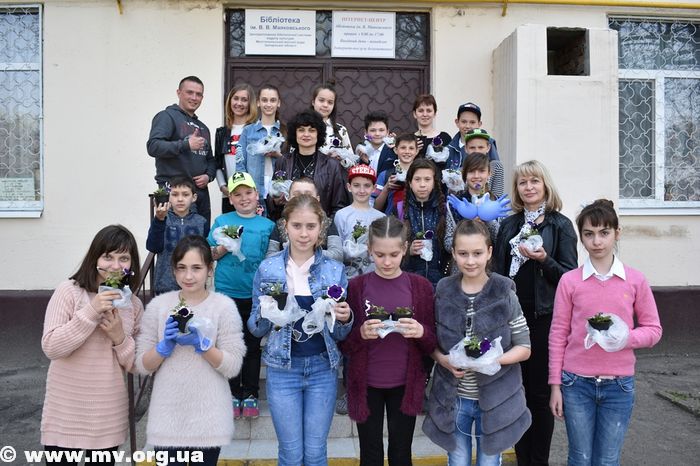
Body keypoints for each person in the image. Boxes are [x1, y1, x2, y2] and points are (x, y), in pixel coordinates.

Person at [549, 199, 662, 466]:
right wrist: (555, 386)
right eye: (589, 234)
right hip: (576, 384)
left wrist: (626, 338)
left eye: (604, 233)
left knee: (608, 459)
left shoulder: (635, 280)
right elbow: (558, 333)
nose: (597, 241)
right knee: (580, 458)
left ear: (617, 233)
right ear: (581, 237)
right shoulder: (570, 281)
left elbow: (654, 329)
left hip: (619, 386)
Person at [248, 194, 353, 466]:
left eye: (310, 226)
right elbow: (256, 329)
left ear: (321, 228)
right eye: (297, 226)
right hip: (282, 371)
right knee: (291, 453)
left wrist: (345, 318)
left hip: (322, 369)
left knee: (316, 452)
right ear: (285, 226)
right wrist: (266, 312)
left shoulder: (335, 270)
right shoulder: (269, 268)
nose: (304, 234)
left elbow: (340, 334)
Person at [492, 160, 578, 466]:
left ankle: (537, 461)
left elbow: (569, 277)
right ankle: (522, 458)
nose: (528, 187)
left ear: (545, 185)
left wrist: (544, 260)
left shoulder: (560, 225)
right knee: (517, 393)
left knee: (540, 396)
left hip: (544, 320)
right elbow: (498, 273)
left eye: (534, 181)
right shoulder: (509, 225)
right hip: (512, 319)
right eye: (522, 182)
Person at [135, 235, 246, 466]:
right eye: (181, 268)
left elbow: (233, 366)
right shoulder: (158, 306)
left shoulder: (224, 306)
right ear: (173, 270)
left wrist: (204, 347)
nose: (188, 276)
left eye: (196, 268)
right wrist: (163, 348)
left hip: (209, 417)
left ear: (210, 269)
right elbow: (143, 366)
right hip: (168, 416)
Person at [41, 225, 143, 465]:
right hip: (65, 413)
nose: (115, 266)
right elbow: (52, 347)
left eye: (123, 258)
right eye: (107, 257)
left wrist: (119, 338)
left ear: (131, 265)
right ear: (95, 258)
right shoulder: (69, 292)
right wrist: (91, 311)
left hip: (108, 415)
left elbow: (137, 365)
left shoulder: (133, 305)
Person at [341, 215, 437, 465]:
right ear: (369, 249)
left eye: (394, 255)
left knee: (401, 453)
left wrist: (421, 331)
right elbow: (344, 344)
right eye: (379, 255)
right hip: (366, 384)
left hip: (405, 384)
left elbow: (431, 343)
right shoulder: (356, 287)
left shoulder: (421, 286)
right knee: (370, 454)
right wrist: (360, 333)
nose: (386, 262)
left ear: (405, 249)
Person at [208, 171, 275, 418]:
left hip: (255, 295)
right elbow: (210, 254)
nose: (244, 198)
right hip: (227, 293)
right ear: (231, 198)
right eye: (238, 194)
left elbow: (272, 259)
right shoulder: (222, 220)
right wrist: (224, 246)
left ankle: (251, 394)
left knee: (253, 345)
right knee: (230, 345)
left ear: (257, 195)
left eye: (248, 192)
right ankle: (233, 393)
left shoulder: (267, 225)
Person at [147, 76, 215, 225]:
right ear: (179, 93)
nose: (194, 97)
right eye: (189, 92)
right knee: (177, 238)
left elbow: (210, 159)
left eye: (198, 94)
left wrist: (208, 176)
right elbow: (153, 146)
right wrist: (186, 145)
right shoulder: (166, 116)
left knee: (202, 237)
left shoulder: (203, 127)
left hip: (200, 194)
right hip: (176, 193)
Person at [270, 109, 350, 219]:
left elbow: (339, 205)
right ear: (295, 133)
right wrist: (276, 201)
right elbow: (273, 197)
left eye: (312, 130)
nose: (306, 134)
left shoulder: (332, 165)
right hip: (289, 224)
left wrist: (325, 226)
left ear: (318, 134)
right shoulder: (282, 161)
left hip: (320, 225)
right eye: (301, 130)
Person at [147, 177, 209, 295]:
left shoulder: (201, 222)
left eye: (185, 195)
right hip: (165, 285)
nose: (180, 199)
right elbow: (153, 247)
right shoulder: (162, 219)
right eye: (175, 194)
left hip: (194, 284)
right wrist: (159, 220)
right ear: (169, 197)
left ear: (194, 197)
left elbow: (206, 252)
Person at [267, 177, 343, 262]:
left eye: (308, 195)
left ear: (317, 199)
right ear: (288, 198)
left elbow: (338, 255)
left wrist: (307, 252)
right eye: (296, 195)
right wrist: (288, 252)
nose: (302, 199)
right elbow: (270, 257)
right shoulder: (281, 223)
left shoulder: (327, 223)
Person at [236, 84, 286, 212]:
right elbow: (240, 162)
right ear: (258, 103)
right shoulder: (248, 131)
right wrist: (245, 190)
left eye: (273, 100)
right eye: (264, 100)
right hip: (254, 191)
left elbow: (291, 162)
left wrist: (278, 155)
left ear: (279, 103)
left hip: (278, 193)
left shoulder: (285, 131)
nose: (268, 104)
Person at [401, 158, 449, 287]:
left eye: (427, 179)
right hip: (408, 281)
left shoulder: (444, 209)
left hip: (440, 281)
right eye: (417, 179)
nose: (422, 185)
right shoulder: (400, 209)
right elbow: (390, 245)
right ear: (410, 183)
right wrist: (407, 250)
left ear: (434, 182)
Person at [334, 164, 386, 279]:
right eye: (356, 185)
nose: (362, 190)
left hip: (375, 276)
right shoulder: (341, 215)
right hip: (348, 277)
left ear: (374, 188)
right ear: (349, 187)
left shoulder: (381, 217)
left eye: (367, 186)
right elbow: (338, 249)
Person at [445, 152, 501, 253]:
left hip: (490, 261)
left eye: (481, 171)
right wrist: (467, 226)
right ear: (465, 174)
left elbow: (502, 241)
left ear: (489, 173)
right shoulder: (455, 203)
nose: (476, 176)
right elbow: (448, 244)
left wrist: (488, 221)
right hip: (463, 261)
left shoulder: (497, 202)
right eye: (471, 171)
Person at [215, 84, 257, 213]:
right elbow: (217, 164)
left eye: (244, 100)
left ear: (250, 104)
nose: (239, 103)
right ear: (230, 101)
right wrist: (223, 187)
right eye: (236, 98)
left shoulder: (256, 130)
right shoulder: (222, 133)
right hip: (230, 195)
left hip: (252, 195)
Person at [445, 102, 500, 172]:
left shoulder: (488, 143)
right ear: (457, 122)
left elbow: (496, 172)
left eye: (472, 122)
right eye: (464, 122)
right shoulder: (449, 148)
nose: (467, 126)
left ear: (479, 124)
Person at [373, 133, 418, 214]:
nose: (407, 152)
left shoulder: (422, 175)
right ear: (395, 150)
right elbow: (375, 208)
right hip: (392, 220)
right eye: (403, 148)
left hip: (416, 220)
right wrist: (386, 188)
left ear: (416, 151)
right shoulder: (385, 175)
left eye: (411, 148)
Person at [310, 81, 352, 156]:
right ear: (313, 102)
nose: (325, 105)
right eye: (321, 100)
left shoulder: (341, 130)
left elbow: (352, 160)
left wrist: (340, 158)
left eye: (330, 102)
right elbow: (293, 157)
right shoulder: (302, 128)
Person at [463, 129, 505, 199]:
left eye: (481, 147)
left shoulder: (496, 166)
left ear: (488, 148)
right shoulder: (461, 168)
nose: (477, 151)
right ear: (466, 148)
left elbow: (498, 197)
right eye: (472, 148)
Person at [411, 94, 452, 158]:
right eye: (421, 111)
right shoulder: (409, 139)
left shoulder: (445, 138)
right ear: (414, 114)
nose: (425, 114)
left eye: (429, 111)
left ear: (434, 113)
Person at [357, 111, 396, 175]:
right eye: (373, 130)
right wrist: (366, 163)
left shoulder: (394, 151)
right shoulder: (362, 151)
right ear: (366, 132)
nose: (377, 134)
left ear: (387, 132)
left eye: (381, 130)